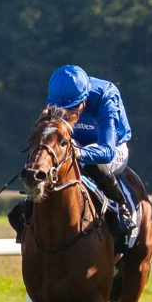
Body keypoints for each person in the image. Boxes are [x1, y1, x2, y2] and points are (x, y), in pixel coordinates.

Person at [10, 64, 135, 250]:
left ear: (83, 102)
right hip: (73, 144)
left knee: (89, 162)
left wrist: (78, 153)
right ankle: (30, 206)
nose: (65, 114)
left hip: (112, 148)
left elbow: (107, 151)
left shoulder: (106, 97)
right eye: (60, 108)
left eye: (70, 110)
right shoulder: (59, 98)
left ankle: (120, 206)